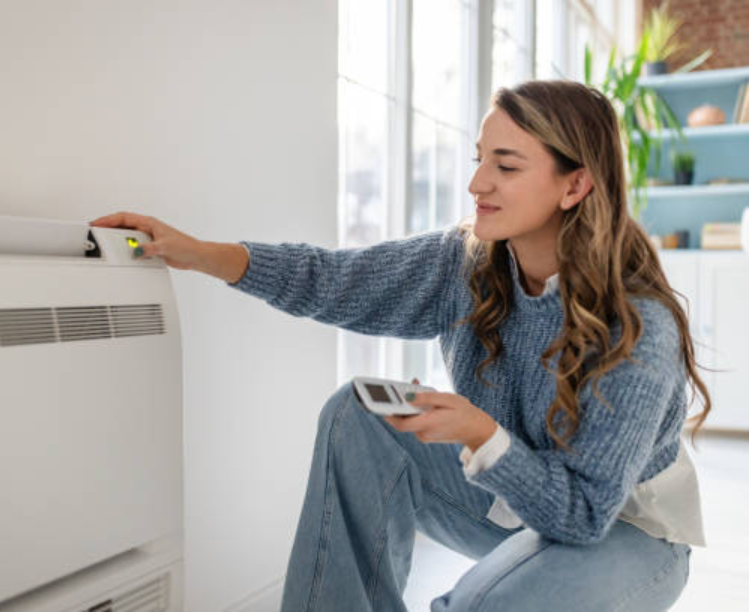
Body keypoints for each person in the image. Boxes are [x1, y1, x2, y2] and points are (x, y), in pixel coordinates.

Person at [90, 80, 710, 611]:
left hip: (622, 532)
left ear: (574, 186)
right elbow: (330, 279)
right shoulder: (465, 263)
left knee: (475, 606)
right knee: (357, 414)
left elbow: (581, 514)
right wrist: (197, 253)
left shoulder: (637, 326)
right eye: (479, 159)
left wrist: (479, 433)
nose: (476, 183)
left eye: (506, 165)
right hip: (509, 504)